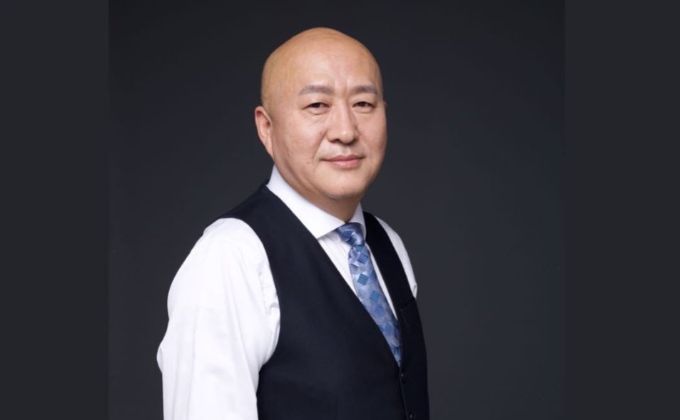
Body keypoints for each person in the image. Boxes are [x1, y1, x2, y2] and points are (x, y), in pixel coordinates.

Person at [157, 27, 429, 420]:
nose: (346, 131)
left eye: (363, 103)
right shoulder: (231, 258)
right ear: (266, 127)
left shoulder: (387, 244)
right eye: (317, 105)